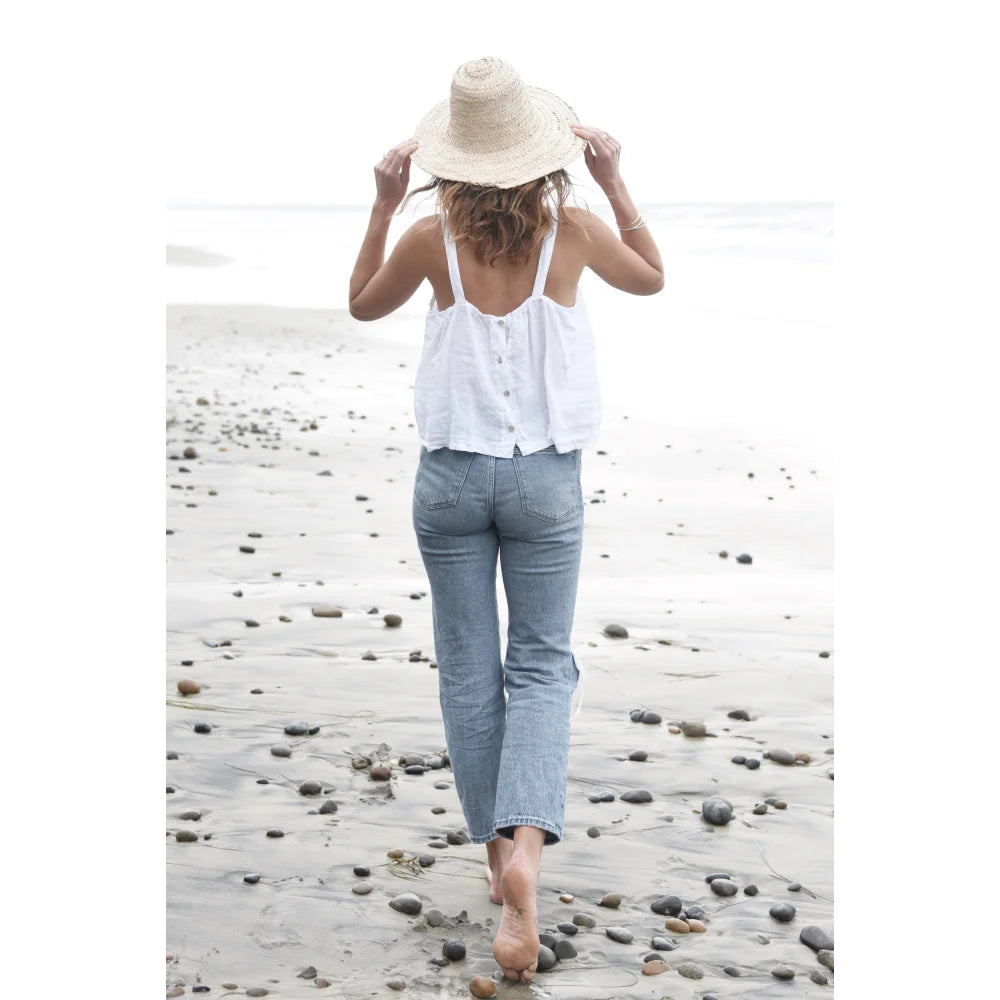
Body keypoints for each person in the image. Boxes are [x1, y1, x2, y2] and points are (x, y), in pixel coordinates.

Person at [348, 56, 664, 984]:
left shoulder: (427, 237)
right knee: (540, 667)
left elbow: (361, 304)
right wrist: (613, 179)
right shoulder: (573, 230)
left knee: (469, 674)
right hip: (543, 482)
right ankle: (528, 847)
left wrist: (381, 203)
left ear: (453, 159)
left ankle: (495, 859)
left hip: (449, 481)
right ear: (540, 152)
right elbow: (650, 277)